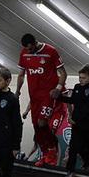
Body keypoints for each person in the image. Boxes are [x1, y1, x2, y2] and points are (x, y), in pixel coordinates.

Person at [16, 33, 67, 167]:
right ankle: (45, 154)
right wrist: (17, 91)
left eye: (31, 48)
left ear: (35, 43)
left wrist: (58, 88)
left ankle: (52, 149)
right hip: (34, 96)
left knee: (42, 123)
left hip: (48, 95)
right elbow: (21, 75)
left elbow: (63, 73)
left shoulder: (50, 51)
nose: (29, 51)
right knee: (36, 128)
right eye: (27, 49)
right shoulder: (24, 53)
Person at [59, 64, 89, 177]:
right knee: (74, 147)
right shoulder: (77, 87)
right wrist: (59, 97)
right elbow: (73, 100)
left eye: (83, 78)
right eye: (80, 77)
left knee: (87, 147)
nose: (81, 80)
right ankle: (70, 171)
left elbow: (88, 107)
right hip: (76, 124)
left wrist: (76, 119)